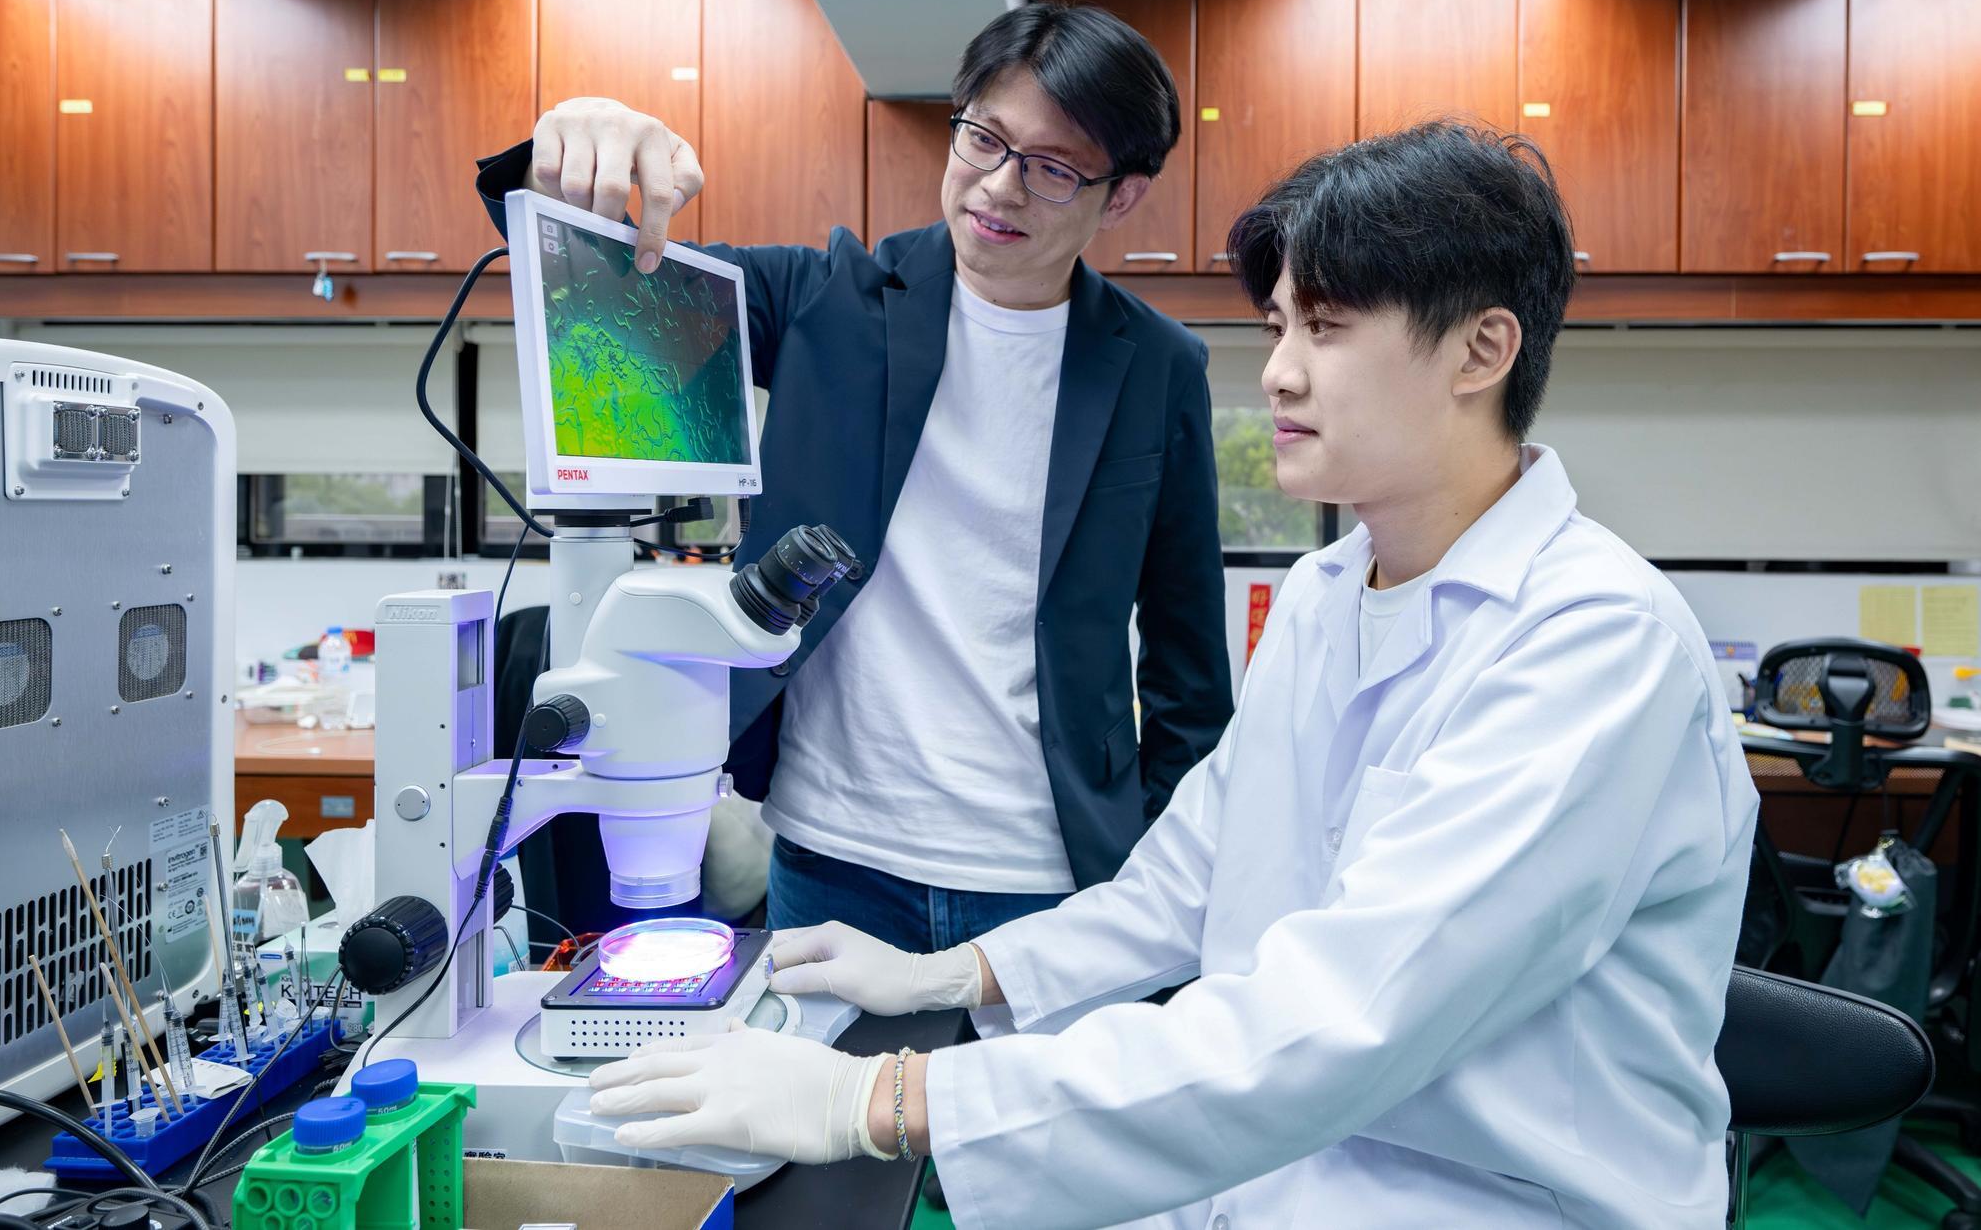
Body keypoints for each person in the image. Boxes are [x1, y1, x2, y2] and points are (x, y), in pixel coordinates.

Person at [581, 122, 1762, 1228]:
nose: (1281, 376)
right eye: (1280, 328)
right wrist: (955, 969)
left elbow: (1342, 1019)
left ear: (1482, 349)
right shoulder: (1325, 595)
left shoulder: (1594, 641)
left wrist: (878, 1101)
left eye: (1329, 328)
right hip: (1277, 1180)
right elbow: (1192, 880)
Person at [474, 2, 1235, 949]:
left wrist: (1157, 869)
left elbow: (1189, 666)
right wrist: (573, 155)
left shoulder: (1157, 368)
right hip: (832, 859)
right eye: (984, 139)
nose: (997, 189)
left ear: (1119, 195)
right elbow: (604, 295)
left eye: (1050, 168)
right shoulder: (827, 300)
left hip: (1055, 876)